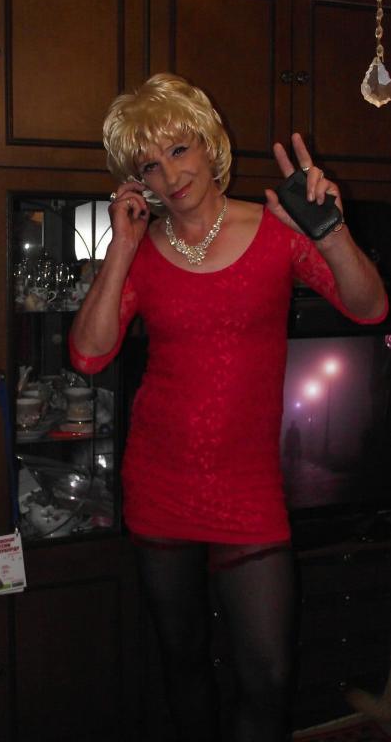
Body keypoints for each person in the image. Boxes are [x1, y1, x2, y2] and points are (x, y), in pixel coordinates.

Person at [69, 73, 388, 742]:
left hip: (248, 489)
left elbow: (370, 307)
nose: (169, 175)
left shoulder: (276, 229)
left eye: (178, 149)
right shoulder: (142, 252)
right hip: (160, 483)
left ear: (208, 143)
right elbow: (89, 355)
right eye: (148, 166)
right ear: (136, 181)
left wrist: (330, 233)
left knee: (266, 676)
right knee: (183, 662)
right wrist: (121, 247)